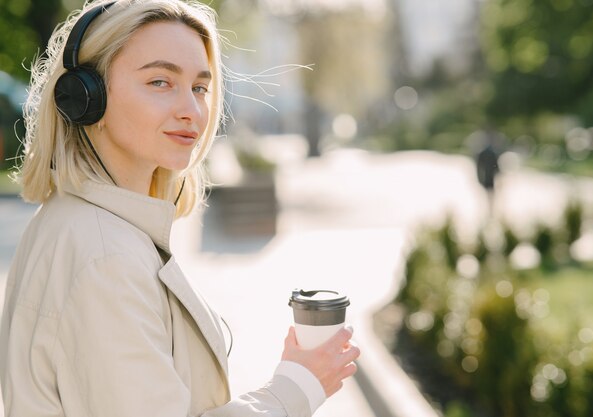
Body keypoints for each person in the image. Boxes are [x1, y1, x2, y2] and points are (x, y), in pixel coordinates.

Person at [0, 1, 360, 416]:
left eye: (200, 87)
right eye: (159, 81)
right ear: (84, 97)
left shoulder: (86, 224)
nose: (191, 110)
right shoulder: (104, 256)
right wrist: (295, 388)